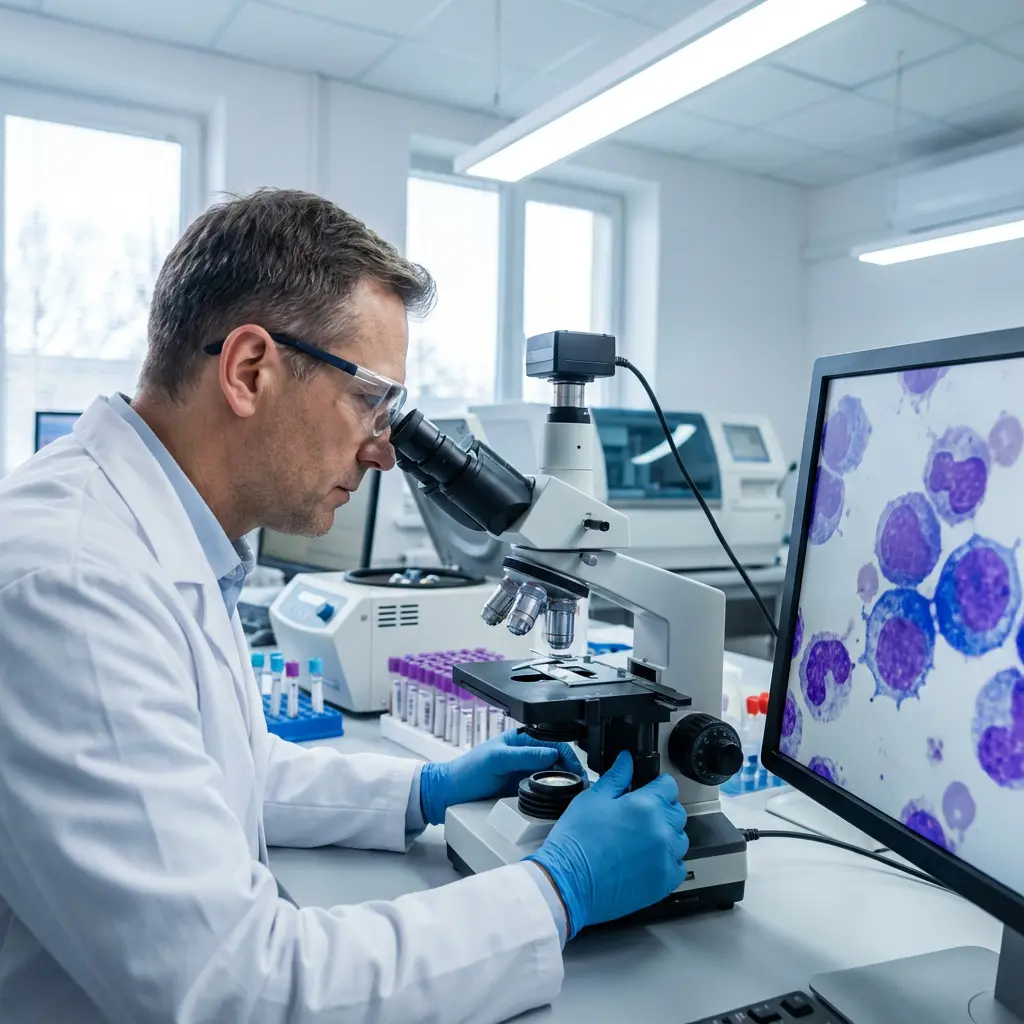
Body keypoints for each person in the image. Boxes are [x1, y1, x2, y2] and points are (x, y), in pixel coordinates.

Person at [0, 189, 690, 1023]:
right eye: (370, 401)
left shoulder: (155, 536)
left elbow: (221, 773)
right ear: (249, 371)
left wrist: (424, 789)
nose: (384, 452)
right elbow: (243, 990)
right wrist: (555, 890)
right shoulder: (76, 585)